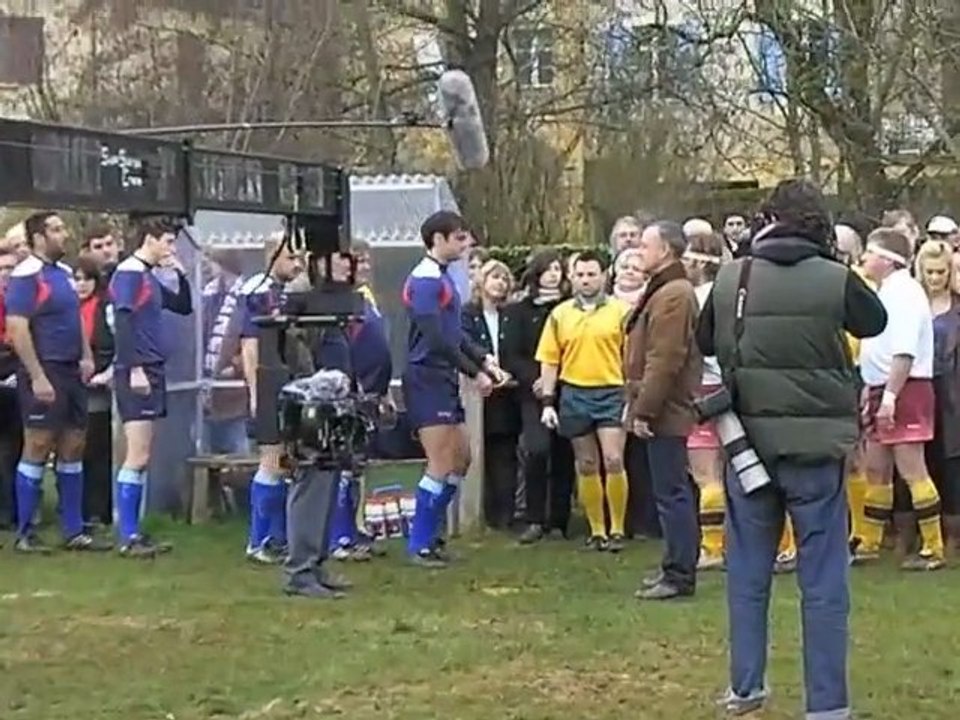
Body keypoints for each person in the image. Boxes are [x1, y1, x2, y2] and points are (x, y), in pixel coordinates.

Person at [696, 179, 886, 717]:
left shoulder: (735, 275)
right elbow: (874, 322)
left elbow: (703, 341)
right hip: (817, 447)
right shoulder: (834, 278)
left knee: (748, 573)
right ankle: (827, 704)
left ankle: (745, 686)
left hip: (748, 447)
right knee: (823, 580)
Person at [5, 212, 109, 553]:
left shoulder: (64, 275)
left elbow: (75, 316)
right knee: (38, 444)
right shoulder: (26, 276)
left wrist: (85, 355)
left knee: (73, 444)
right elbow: (18, 328)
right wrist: (37, 376)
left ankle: (73, 529)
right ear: (38, 238)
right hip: (45, 367)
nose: (64, 235)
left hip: (71, 370)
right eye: (56, 229)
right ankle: (25, 531)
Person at [402, 211, 499, 568]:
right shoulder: (425, 280)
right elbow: (437, 338)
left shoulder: (443, 278)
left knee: (462, 458)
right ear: (438, 240)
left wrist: (484, 359)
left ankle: (433, 535)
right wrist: (475, 373)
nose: (466, 243)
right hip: (427, 377)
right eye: (459, 238)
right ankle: (419, 544)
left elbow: (454, 333)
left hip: (442, 376)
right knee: (441, 460)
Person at [857, 228, 946, 570]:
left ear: (886, 259)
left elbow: (905, 351)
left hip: (906, 388)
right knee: (876, 467)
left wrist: (891, 396)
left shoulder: (905, 294)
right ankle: (869, 541)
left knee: (912, 467)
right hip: (884, 387)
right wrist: (872, 386)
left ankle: (934, 547)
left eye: (870, 252)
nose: (864, 258)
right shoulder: (886, 291)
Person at [625, 221, 702, 600]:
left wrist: (644, 409)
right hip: (663, 406)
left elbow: (665, 359)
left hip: (666, 410)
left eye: (645, 245)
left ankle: (680, 573)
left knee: (672, 494)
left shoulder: (674, 294)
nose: (639, 251)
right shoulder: (666, 290)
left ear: (666, 251)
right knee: (668, 491)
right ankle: (674, 565)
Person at [536, 249, 632, 552]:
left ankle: (617, 529)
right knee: (586, 463)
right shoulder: (559, 314)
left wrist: (632, 396)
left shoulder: (621, 311)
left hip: (612, 390)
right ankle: (597, 531)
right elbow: (550, 360)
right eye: (580, 275)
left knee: (614, 459)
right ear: (572, 278)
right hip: (575, 393)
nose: (586, 280)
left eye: (592, 274)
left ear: (605, 276)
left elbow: (631, 357)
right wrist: (548, 402)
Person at [109, 215, 192, 557]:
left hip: (154, 368)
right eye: (168, 242)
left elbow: (183, 306)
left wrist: (182, 273)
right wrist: (135, 367)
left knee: (144, 454)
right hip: (138, 370)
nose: (171, 248)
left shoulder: (149, 277)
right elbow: (124, 322)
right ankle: (127, 534)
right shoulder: (129, 274)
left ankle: (134, 532)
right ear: (150, 239)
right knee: (137, 453)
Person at [501, 249, 575, 544]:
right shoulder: (519, 311)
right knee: (537, 450)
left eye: (558, 268)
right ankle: (533, 517)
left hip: (567, 388)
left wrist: (556, 382)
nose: (554, 274)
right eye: (549, 268)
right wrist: (537, 380)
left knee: (564, 454)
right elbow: (513, 354)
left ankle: (559, 519)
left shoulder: (570, 308)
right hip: (532, 393)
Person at [239, 236, 305, 566]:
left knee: (285, 462)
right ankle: (259, 540)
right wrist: (256, 391)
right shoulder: (258, 290)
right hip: (269, 383)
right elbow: (250, 346)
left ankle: (278, 538)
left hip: (290, 383)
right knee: (271, 460)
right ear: (272, 255)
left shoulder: (290, 290)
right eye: (291, 256)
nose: (298, 263)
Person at [461, 259, 521, 529]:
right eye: (494, 277)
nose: (500, 282)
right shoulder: (467, 314)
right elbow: (463, 344)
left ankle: (504, 514)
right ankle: (476, 512)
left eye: (504, 278)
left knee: (504, 452)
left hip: (507, 390)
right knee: (476, 450)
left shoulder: (511, 314)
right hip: (477, 390)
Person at [682, 231, 726, 570]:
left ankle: (712, 548)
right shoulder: (730, 295)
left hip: (702, 390)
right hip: (735, 388)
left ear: (698, 262)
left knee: (706, 473)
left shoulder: (691, 300)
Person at [915, 240, 960, 556]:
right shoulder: (913, 302)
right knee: (920, 459)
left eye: (941, 272)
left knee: (952, 460)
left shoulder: (957, 307)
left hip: (952, 389)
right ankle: (922, 533)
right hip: (919, 386)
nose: (935, 278)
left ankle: (953, 535)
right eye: (929, 272)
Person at [74, 254, 115, 529]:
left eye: (86, 279)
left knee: (98, 450)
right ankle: (80, 509)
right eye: (77, 279)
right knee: (77, 451)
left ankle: (99, 511)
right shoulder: (69, 309)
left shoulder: (105, 307)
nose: (81, 285)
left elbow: (115, 342)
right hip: (73, 387)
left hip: (99, 387)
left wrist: (105, 374)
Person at [0, 244, 21, 532]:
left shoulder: (23, 300)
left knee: (11, 449)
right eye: (2, 268)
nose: (6, 274)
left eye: (10, 268)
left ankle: (10, 511)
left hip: (16, 377)